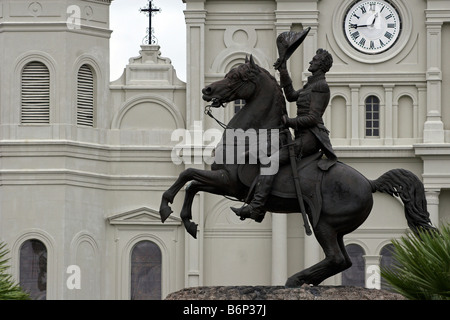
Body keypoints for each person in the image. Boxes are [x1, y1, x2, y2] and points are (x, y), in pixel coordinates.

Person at [231, 49, 337, 222]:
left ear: (321, 65)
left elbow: (314, 117)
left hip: (310, 139)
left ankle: (257, 208)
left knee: (271, 162)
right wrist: (283, 70)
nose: (311, 62)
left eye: (315, 60)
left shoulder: (321, 86)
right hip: (300, 136)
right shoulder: (311, 85)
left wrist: (289, 122)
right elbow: (291, 95)